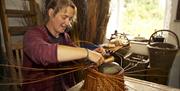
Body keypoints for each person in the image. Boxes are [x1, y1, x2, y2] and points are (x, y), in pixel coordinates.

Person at [22, 0, 105, 91]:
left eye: (70, 19)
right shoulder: (32, 34)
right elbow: (43, 54)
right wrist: (86, 53)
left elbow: (75, 55)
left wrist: (92, 53)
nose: (67, 23)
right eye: (64, 17)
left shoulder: (65, 37)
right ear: (51, 13)